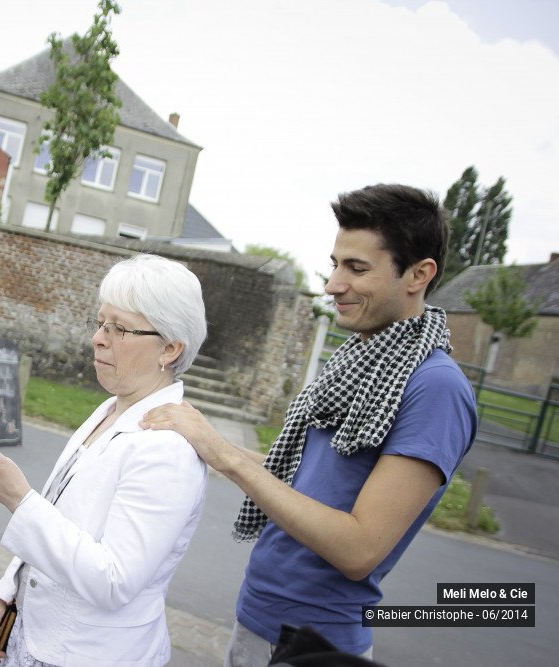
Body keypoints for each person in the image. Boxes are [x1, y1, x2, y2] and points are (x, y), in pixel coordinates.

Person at [142, 183, 477, 665]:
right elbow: (305, 482)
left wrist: (227, 457)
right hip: (260, 619)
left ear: (419, 274)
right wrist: (201, 438)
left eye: (356, 268)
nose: (333, 284)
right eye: (336, 264)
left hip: (311, 643)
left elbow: (359, 548)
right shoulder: (360, 361)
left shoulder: (436, 388)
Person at [0, 254, 209, 666]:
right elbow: (60, 511)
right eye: (100, 323)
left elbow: (114, 581)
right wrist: (8, 588)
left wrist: (17, 499)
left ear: (169, 349)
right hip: (36, 635)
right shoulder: (111, 408)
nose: (98, 338)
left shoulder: (167, 449)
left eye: (120, 328)